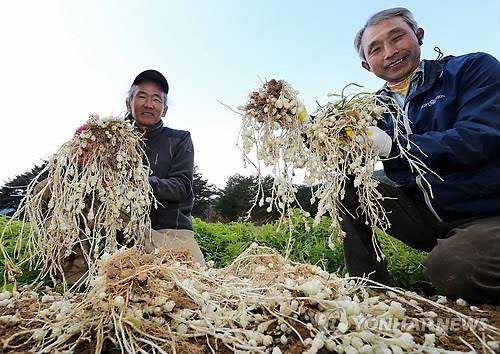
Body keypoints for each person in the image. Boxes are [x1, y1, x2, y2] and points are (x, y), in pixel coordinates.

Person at [342, 7, 500, 303]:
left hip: (488, 212)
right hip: (428, 216)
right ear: (367, 66)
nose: (389, 52)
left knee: (452, 267)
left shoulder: (471, 70)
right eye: (375, 49)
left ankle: (465, 251)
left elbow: (480, 136)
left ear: (419, 35)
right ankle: (371, 288)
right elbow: (348, 154)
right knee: (346, 183)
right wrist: (306, 130)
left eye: (397, 37)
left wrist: (394, 147)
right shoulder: (372, 110)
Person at [125, 69, 205, 265]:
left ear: (165, 109)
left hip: (169, 233)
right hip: (123, 230)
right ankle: (77, 277)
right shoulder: (112, 139)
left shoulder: (179, 140)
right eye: (142, 96)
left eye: (157, 99)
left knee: (199, 285)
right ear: (128, 103)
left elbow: (180, 187)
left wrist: (139, 181)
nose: (149, 104)